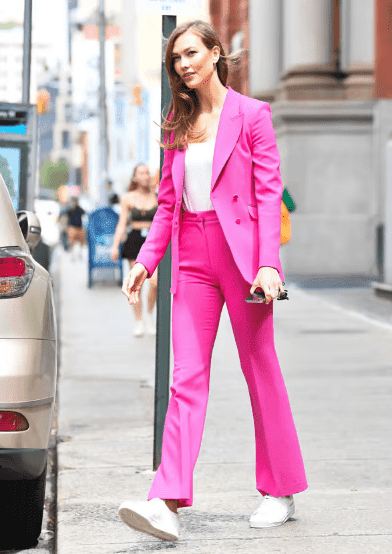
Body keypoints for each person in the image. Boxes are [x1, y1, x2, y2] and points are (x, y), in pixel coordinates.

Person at [118, 19, 308, 542]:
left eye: (192, 52)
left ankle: (279, 490)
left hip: (244, 256)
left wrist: (269, 262)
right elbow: (166, 204)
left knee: (259, 367)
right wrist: (145, 260)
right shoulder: (176, 123)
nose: (184, 63)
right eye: (176, 57)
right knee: (187, 377)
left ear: (215, 53)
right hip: (193, 257)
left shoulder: (253, 115)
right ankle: (167, 499)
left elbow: (269, 194)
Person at [110, 164, 158, 337]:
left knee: (155, 283)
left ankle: (149, 316)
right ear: (135, 177)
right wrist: (115, 246)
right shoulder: (128, 198)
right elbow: (122, 223)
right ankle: (138, 321)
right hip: (135, 240)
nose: (145, 176)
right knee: (136, 283)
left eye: (147, 172)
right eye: (141, 173)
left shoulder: (157, 196)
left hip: (153, 240)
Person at [65, 196, 86, 261]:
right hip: (72, 228)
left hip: (79, 228)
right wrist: (66, 227)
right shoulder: (69, 210)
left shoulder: (80, 209)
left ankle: (80, 254)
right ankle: (72, 255)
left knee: (81, 243)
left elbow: (85, 216)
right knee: (72, 243)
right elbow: (66, 218)